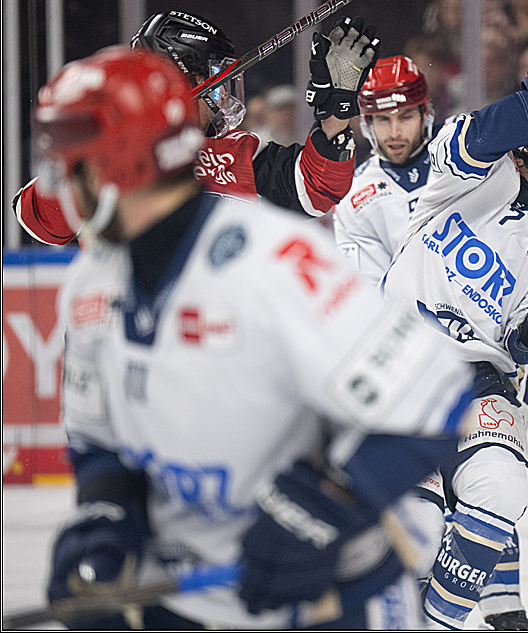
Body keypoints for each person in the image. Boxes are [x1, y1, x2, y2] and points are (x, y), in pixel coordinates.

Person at [37, 45, 474, 629]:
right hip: (184, 594)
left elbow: (436, 392)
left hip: (327, 599)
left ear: (120, 166)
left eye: (73, 161)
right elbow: (100, 444)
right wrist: (106, 513)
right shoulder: (90, 286)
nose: (60, 181)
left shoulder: (276, 261)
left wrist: (320, 508)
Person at [379, 30, 528, 630]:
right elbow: (479, 135)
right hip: (399, 362)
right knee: (421, 525)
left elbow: (525, 340)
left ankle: (437, 623)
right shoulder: (471, 172)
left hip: (479, 381)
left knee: (503, 487)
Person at [13, 9, 378, 245]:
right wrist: (98, 149)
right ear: (176, 84)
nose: (223, 99)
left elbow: (317, 188)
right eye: (216, 83)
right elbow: (39, 220)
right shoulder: (112, 152)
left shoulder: (239, 154)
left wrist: (336, 111)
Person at [333, 55, 437, 281]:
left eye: (406, 117)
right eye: (382, 120)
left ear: (424, 114)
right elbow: (370, 288)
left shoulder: (462, 150)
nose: (394, 132)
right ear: (367, 124)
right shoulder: (354, 198)